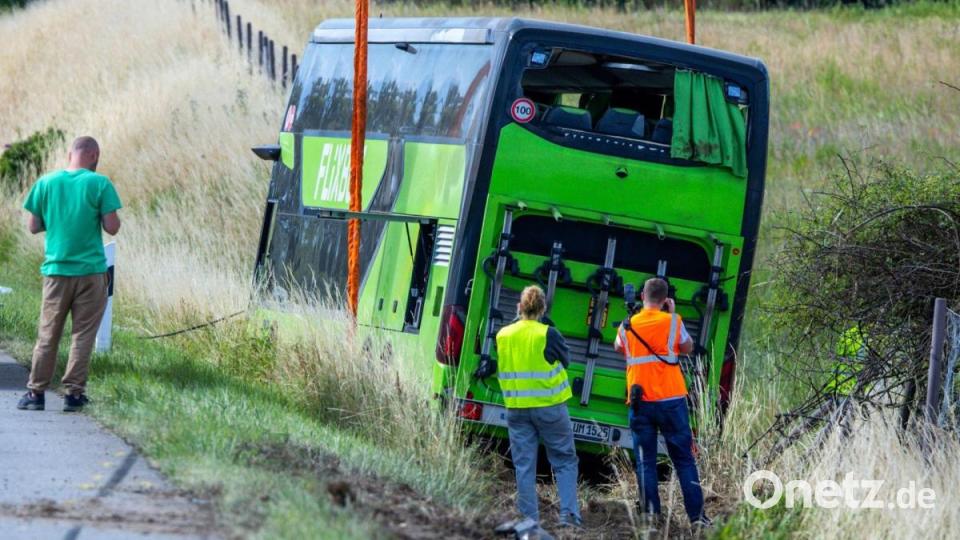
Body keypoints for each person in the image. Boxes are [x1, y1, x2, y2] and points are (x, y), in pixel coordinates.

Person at [17, 136, 122, 412]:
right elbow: (112, 227)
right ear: (95, 155)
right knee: (83, 334)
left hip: (56, 270)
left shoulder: (46, 183)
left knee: (48, 333)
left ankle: (36, 393)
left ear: (69, 154)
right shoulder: (100, 183)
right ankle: (74, 394)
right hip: (91, 271)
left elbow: (33, 226)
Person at [614, 277, 709, 525]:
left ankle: (650, 516)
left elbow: (618, 347)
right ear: (666, 299)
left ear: (642, 295)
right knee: (684, 459)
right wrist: (673, 314)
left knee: (645, 461)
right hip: (671, 401)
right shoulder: (674, 322)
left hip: (640, 401)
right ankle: (697, 518)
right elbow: (687, 348)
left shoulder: (627, 325)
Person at [495, 285, 581, 530]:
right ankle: (569, 516)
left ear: (519, 307)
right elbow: (566, 360)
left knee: (523, 465)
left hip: (517, 408)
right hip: (550, 407)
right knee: (564, 459)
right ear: (543, 309)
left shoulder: (503, 335)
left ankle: (528, 520)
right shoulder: (548, 334)